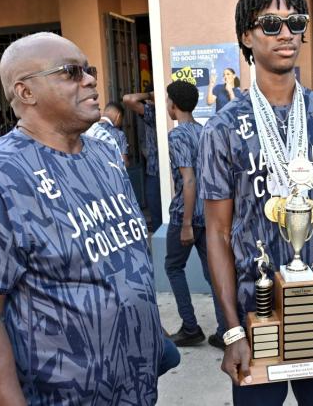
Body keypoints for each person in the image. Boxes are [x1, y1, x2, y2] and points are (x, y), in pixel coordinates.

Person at [0, 32, 162, 404]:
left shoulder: (104, 156)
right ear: (26, 93)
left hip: (137, 390)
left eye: (88, 69)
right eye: (71, 72)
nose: (90, 79)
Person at [199, 0, 313, 405]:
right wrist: (232, 329)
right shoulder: (221, 129)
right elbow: (218, 235)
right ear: (246, 35)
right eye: (271, 23)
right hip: (255, 316)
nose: (286, 34)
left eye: (295, 22)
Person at [164, 80, 226, 349]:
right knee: (213, 272)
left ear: (173, 105)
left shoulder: (177, 136)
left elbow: (188, 181)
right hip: (208, 214)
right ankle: (226, 331)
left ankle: (190, 327)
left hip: (185, 215)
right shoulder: (203, 131)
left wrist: (186, 223)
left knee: (172, 267)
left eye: (167, 101)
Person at [123, 88, 162, 232]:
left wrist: (151, 95)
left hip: (162, 172)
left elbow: (129, 99)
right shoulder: (151, 113)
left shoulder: (156, 113)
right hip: (153, 171)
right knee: (157, 216)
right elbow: (129, 99)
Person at [85, 101, 129, 167]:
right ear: (118, 116)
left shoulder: (87, 129)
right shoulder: (119, 134)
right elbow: (124, 164)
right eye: (121, 120)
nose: (120, 123)